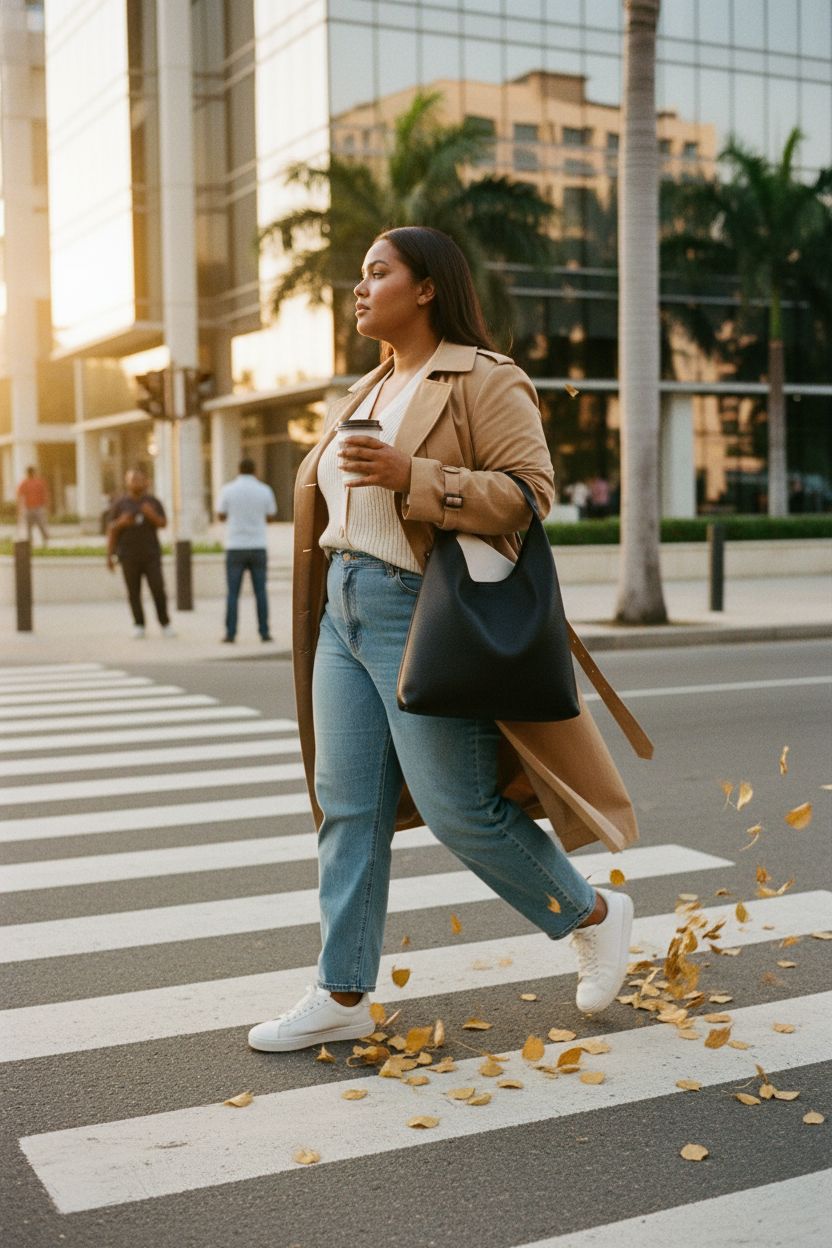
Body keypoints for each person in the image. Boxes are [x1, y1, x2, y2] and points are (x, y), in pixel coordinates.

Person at [248, 226, 639, 1054]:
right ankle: (342, 990)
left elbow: (529, 494)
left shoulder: (485, 377)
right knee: (346, 808)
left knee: (460, 809)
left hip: (418, 611)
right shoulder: (366, 388)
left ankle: (593, 914)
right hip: (343, 610)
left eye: (377, 272)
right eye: (361, 275)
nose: (360, 288)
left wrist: (414, 477)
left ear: (427, 288)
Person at [106, 468, 175, 639]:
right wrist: (110, 555)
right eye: (133, 479)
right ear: (127, 482)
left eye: (139, 479)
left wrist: (151, 515)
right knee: (133, 592)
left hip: (151, 555)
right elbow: (111, 529)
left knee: (158, 589)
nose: (136, 483)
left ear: (146, 482)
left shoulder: (153, 502)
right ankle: (139, 624)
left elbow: (163, 523)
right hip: (128, 556)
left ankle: (165, 623)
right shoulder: (119, 504)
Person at [216, 457, 278, 643]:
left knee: (233, 593)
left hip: (235, 546)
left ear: (239, 470)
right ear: (255, 470)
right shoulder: (264, 490)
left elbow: (221, 515)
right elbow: (270, 517)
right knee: (260, 592)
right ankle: (264, 632)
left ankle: (230, 633)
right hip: (258, 546)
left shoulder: (227, 490)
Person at [17, 466, 50, 545]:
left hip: (37, 507)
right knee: (30, 526)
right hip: (30, 508)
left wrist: (46, 505)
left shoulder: (38, 482)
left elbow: (44, 494)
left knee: (41, 525)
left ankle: (45, 540)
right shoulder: (25, 483)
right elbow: (20, 496)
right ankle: (31, 542)